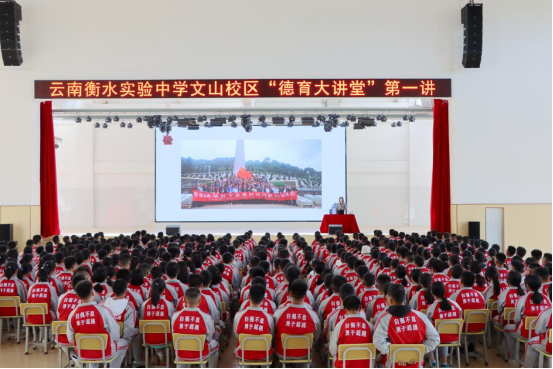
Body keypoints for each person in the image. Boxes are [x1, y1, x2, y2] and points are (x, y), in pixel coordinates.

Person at [373, 284, 440, 369]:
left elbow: (378, 342)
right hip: (417, 362)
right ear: (404, 297)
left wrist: (399, 354)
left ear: (390, 300)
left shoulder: (384, 319)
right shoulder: (420, 316)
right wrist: (417, 352)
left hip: (393, 363)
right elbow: (435, 339)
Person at [67, 280, 128, 368]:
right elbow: (115, 334)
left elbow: (71, 338)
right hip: (103, 352)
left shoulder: (72, 314)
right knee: (124, 342)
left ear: (77, 296)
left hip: (83, 353)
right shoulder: (103, 311)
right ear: (93, 293)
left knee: (91, 353)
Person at [504, 274, 552, 364]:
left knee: (507, 328)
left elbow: (517, 319)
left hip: (526, 332)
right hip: (544, 335)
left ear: (527, 286)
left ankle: (513, 358)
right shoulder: (546, 299)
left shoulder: (523, 298)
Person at [274, 280, 321, 362]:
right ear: (306, 295)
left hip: (282, 353)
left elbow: (273, 333)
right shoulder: (313, 315)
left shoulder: (279, 312)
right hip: (305, 353)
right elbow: (316, 337)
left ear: (290, 293)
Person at [172, 288, 219, 368]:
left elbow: (173, 334)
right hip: (200, 354)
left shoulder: (175, 316)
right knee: (215, 344)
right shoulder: (206, 317)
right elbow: (209, 338)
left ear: (184, 299)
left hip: (180, 353)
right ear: (200, 301)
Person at [233, 284, 275, 363]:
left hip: (243, 352)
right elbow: (271, 337)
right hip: (264, 354)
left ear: (248, 296)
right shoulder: (269, 317)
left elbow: (236, 334)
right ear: (263, 299)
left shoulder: (238, 315)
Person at [329, 296, 373, 368]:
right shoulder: (370, 326)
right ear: (360, 309)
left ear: (345, 310)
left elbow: (332, 350)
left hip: (343, 365)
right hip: (366, 365)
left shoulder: (339, 325)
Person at [426, 282, 463, 368]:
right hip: (454, 337)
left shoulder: (432, 307)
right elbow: (460, 317)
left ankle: (433, 360)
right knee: (444, 333)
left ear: (432, 293)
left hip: (438, 338)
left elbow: (427, 326)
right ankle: (444, 362)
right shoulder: (455, 304)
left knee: (429, 334)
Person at [523, 284, 552, 368]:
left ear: (549, 294)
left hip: (550, 346)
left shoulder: (546, 313)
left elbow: (538, 331)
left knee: (530, 342)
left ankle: (526, 366)